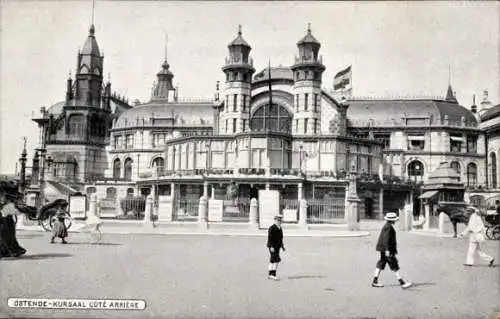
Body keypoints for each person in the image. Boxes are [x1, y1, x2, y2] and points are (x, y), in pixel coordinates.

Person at [372, 212, 412, 289]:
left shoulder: (387, 226)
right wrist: (387, 250)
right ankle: (402, 282)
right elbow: (386, 239)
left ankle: (375, 281)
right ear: (392, 220)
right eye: (394, 220)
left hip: (383, 249)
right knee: (394, 265)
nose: (395, 221)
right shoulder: (388, 227)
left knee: (381, 263)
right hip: (387, 249)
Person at [0, 181, 27, 258]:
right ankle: (7, 251)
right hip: (6, 222)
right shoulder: (7, 204)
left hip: (6, 222)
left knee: (7, 237)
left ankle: (7, 251)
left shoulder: (8, 204)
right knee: (6, 237)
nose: (3, 197)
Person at [267, 214, 286, 281]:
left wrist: (282, 246)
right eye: (278, 220)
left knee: (272, 260)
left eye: (280, 221)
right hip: (272, 247)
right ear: (275, 220)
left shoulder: (280, 228)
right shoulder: (272, 228)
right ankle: (273, 274)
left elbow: (280, 239)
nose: (279, 222)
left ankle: (270, 274)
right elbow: (270, 238)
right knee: (277, 260)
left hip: (277, 246)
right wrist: (271, 246)